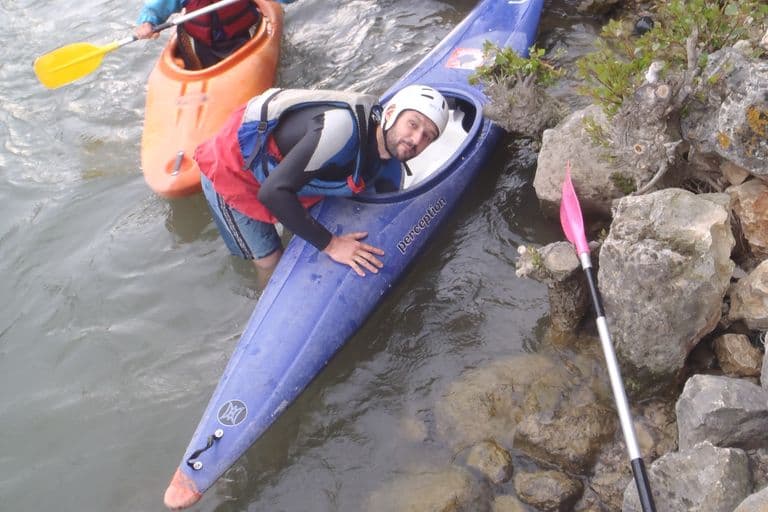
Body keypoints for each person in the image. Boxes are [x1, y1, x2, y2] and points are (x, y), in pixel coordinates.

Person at [194, 84, 449, 279]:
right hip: (233, 171)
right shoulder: (341, 131)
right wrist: (332, 244)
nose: (416, 139)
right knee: (270, 260)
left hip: (284, 170)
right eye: (412, 124)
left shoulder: (384, 146)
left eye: (427, 136)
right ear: (390, 113)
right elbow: (272, 193)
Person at [135, 0, 294, 69]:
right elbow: (155, 9)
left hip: (243, 36)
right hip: (199, 42)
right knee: (196, 58)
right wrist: (147, 23)